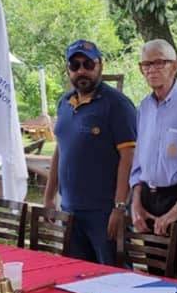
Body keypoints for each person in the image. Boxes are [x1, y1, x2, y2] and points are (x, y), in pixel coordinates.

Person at [44, 40, 136, 265]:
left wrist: (119, 207)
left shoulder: (117, 105)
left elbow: (129, 158)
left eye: (88, 64)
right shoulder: (64, 103)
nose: (81, 70)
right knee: (76, 275)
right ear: (68, 70)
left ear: (100, 65)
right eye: (75, 65)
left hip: (104, 213)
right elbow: (60, 150)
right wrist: (48, 197)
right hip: (70, 210)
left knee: (114, 278)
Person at [129, 39, 177, 240]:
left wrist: (176, 211)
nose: (151, 70)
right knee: (153, 269)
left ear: (175, 66)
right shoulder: (144, 107)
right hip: (148, 200)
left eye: (159, 62)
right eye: (146, 64)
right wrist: (136, 203)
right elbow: (138, 166)